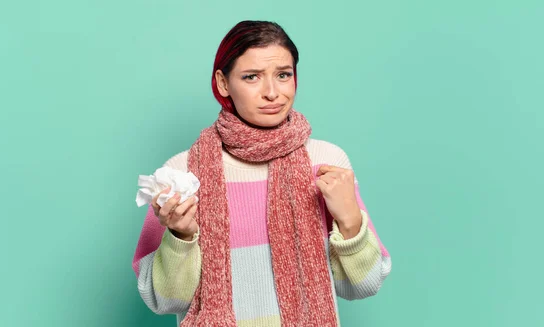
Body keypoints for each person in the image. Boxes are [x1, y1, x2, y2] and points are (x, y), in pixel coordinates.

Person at [132, 20, 392, 327]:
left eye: (283, 75)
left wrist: (350, 220)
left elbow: (364, 285)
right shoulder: (182, 173)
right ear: (223, 83)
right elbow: (162, 301)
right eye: (252, 77)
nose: (272, 93)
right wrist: (181, 237)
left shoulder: (326, 163)